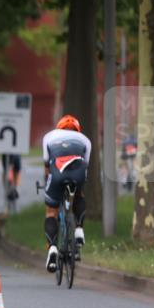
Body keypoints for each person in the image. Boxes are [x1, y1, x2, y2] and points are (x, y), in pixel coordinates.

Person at [42, 114, 91, 272]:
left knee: (51, 212)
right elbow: (86, 164)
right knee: (79, 194)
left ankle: (52, 248)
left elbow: (46, 164)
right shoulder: (84, 139)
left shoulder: (49, 136)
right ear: (78, 129)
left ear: (59, 127)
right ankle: (79, 229)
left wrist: (47, 184)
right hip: (78, 171)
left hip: (57, 172)